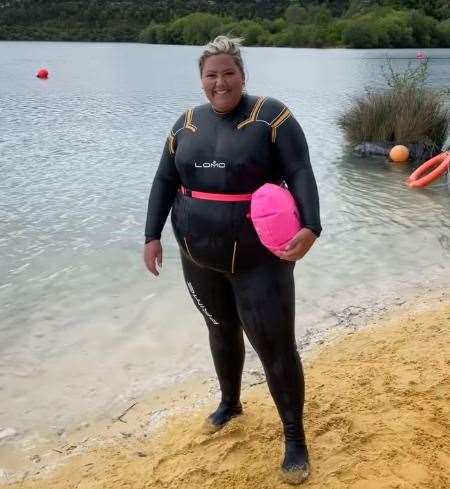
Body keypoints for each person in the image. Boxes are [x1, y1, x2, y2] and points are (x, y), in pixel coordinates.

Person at [144, 35, 321, 485]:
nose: (219, 82)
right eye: (211, 75)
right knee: (220, 330)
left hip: (261, 258)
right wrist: (151, 236)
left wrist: (311, 228)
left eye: (228, 73)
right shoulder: (186, 124)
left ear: (243, 75)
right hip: (198, 255)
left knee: (275, 347)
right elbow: (164, 180)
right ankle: (230, 403)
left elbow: (300, 171)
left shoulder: (272, 117)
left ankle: (295, 438)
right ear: (201, 80)